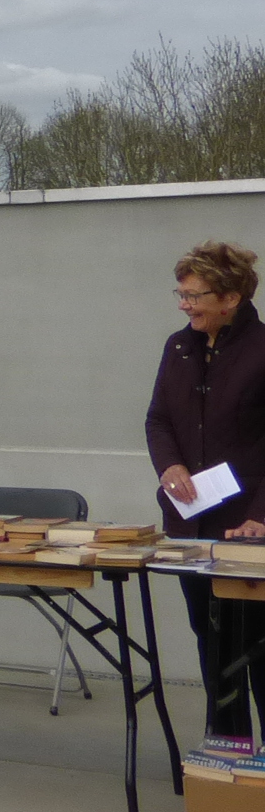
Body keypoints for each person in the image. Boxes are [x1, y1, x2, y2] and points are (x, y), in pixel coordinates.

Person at [146, 240, 265, 739]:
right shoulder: (178, 346)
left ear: (231, 297)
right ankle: (226, 753)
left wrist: (262, 515)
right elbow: (157, 420)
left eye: (193, 295)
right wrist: (169, 465)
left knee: (255, 646)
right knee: (210, 639)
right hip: (191, 524)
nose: (183, 304)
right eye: (181, 293)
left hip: (248, 526)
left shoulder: (262, 350)